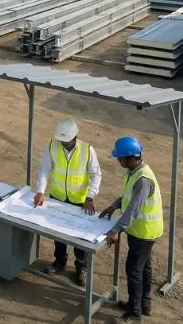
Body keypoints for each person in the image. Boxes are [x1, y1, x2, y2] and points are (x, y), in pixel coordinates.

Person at [100, 136, 163, 324]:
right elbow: (128, 197)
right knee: (144, 268)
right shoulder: (135, 172)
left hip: (143, 233)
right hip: (144, 231)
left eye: (120, 158)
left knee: (134, 270)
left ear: (129, 157)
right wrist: (114, 206)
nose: (118, 161)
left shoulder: (143, 180)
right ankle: (144, 305)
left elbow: (134, 209)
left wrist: (115, 230)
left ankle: (134, 314)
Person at [33, 118, 102, 286]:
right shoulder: (52, 145)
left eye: (67, 141)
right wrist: (40, 191)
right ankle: (60, 261)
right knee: (58, 234)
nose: (63, 143)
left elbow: (96, 175)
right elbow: (44, 169)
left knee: (80, 236)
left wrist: (90, 197)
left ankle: (81, 267)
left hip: (80, 201)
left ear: (75, 137)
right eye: (61, 140)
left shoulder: (87, 150)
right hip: (57, 198)